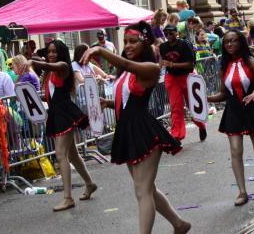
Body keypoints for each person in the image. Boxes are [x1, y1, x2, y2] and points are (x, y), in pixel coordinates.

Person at [80, 22, 191, 234]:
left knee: (142, 191)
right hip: (127, 131)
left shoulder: (150, 67)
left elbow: (130, 69)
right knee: (146, 189)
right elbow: (130, 99)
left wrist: (101, 50)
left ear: (145, 42)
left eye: (133, 41)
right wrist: (108, 103)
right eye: (125, 42)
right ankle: (179, 224)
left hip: (143, 131)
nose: (128, 46)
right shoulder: (124, 72)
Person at [208, 30, 254, 206]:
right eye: (226, 42)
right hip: (233, 111)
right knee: (235, 152)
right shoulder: (224, 67)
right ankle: (242, 191)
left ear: (241, 42)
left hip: (252, 108)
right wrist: (203, 99)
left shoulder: (252, 62)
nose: (229, 44)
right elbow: (222, 94)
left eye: (233, 41)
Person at [29, 40, 97, 212]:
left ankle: (68, 198)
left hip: (65, 115)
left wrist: (32, 61)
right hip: (57, 114)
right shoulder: (50, 73)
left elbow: (56, 67)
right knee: (72, 155)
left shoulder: (64, 67)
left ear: (61, 54)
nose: (51, 54)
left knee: (60, 154)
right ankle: (90, 183)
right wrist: (32, 98)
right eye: (49, 52)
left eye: (54, 51)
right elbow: (52, 96)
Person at [159, 24, 207, 141]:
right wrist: (161, 64)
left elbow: (191, 64)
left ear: (177, 33)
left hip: (187, 76)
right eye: (166, 33)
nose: (168, 35)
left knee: (193, 106)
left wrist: (173, 64)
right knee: (176, 107)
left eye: (171, 33)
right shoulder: (163, 47)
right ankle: (177, 135)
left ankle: (201, 126)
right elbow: (162, 60)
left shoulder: (184, 44)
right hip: (172, 77)